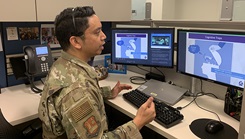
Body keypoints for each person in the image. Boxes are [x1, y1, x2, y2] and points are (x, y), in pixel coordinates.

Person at [38, 6, 156, 139]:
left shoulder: (62, 64)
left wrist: (109, 92)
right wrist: (138, 122)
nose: (104, 36)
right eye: (97, 32)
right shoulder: (77, 89)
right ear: (76, 41)